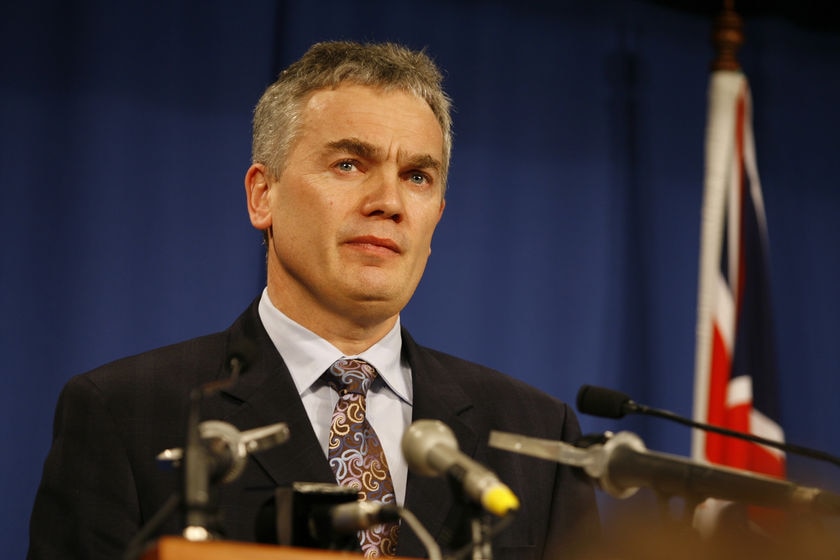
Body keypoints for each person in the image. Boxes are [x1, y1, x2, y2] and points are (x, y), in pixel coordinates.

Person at [27, 41, 599, 560]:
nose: (389, 202)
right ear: (262, 195)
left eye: (418, 176)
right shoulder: (126, 415)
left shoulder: (539, 436)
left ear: (436, 218)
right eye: (349, 164)